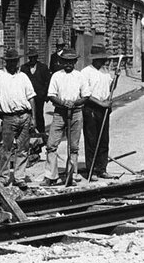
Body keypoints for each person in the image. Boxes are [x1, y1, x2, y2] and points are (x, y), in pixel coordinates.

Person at [42, 49, 91, 186]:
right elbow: (51, 94)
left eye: (71, 61)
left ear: (75, 62)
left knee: (73, 146)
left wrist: (74, 103)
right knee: (51, 144)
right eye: (65, 61)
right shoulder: (56, 76)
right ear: (61, 62)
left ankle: (71, 175)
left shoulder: (80, 76)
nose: (68, 64)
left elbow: (86, 95)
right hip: (60, 112)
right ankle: (50, 176)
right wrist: (63, 103)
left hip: (76, 112)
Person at [0, 48, 37, 188]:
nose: (13, 64)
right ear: (6, 62)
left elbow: (31, 97)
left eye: (15, 61)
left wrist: (33, 117)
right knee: (6, 149)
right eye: (10, 62)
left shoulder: (23, 76)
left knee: (23, 148)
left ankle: (19, 177)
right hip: (9, 117)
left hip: (24, 115)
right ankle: (3, 176)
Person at [81, 46, 114, 179]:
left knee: (104, 140)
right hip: (91, 109)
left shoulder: (106, 72)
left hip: (104, 108)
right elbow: (86, 94)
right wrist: (101, 103)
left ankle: (102, 169)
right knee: (92, 140)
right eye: (101, 59)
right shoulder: (86, 72)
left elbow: (110, 88)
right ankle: (92, 170)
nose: (103, 61)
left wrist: (116, 77)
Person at [21, 48, 51, 137]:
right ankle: (29, 133)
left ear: (37, 57)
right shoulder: (24, 68)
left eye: (34, 57)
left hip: (39, 96)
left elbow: (47, 82)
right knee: (28, 115)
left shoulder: (43, 67)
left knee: (39, 114)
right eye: (30, 58)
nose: (32, 59)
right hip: (28, 97)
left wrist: (45, 95)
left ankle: (41, 134)